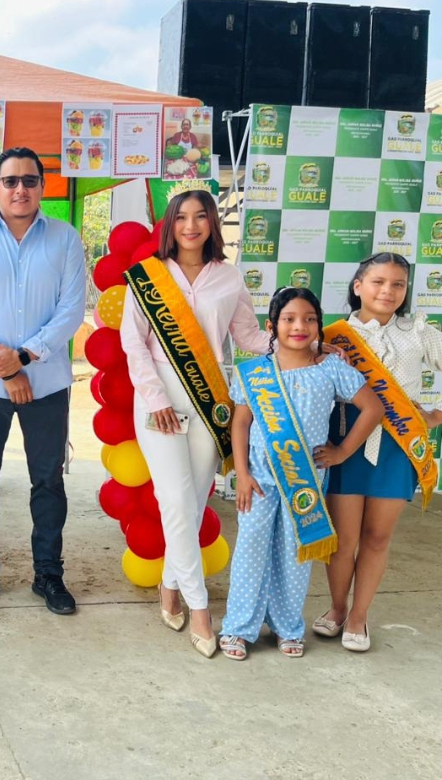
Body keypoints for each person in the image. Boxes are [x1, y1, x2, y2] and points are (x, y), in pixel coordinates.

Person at [120, 188, 272, 656]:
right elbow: (133, 343)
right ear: (171, 224)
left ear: (212, 224)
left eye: (201, 216)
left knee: (191, 502)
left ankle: (169, 584)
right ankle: (200, 608)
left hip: (210, 401)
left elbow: (247, 336)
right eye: (182, 217)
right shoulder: (148, 276)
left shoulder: (228, 277)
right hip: (159, 400)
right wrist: (155, 398)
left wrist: (296, 339)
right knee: (174, 499)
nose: (191, 226)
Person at [0, 147, 86, 615]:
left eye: (29, 180)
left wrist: (24, 357)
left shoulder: (66, 239)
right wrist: (6, 370)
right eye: (10, 181)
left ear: (43, 186)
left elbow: (70, 311)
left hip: (46, 384)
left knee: (47, 480)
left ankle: (49, 574)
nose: (20, 189)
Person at [219, 288, 380, 661]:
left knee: (295, 552)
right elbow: (240, 423)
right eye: (289, 319)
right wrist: (241, 473)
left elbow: (372, 408)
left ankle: (287, 626)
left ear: (319, 326)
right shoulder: (255, 372)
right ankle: (238, 627)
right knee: (251, 550)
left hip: (304, 480)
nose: (299, 326)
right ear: (271, 326)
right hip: (259, 478)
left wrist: (342, 452)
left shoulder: (331, 368)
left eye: (309, 319)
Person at [314, 253, 442, 652]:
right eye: (378, 282)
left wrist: (435, 415)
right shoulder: (334, 335)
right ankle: (337, 608)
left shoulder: (419, 331)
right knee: (342, 539)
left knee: (376, 537)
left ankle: (359, 616)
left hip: (398, 446)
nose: (388, 291)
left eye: (398, 284)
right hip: (345, 442)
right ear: (358, 286)